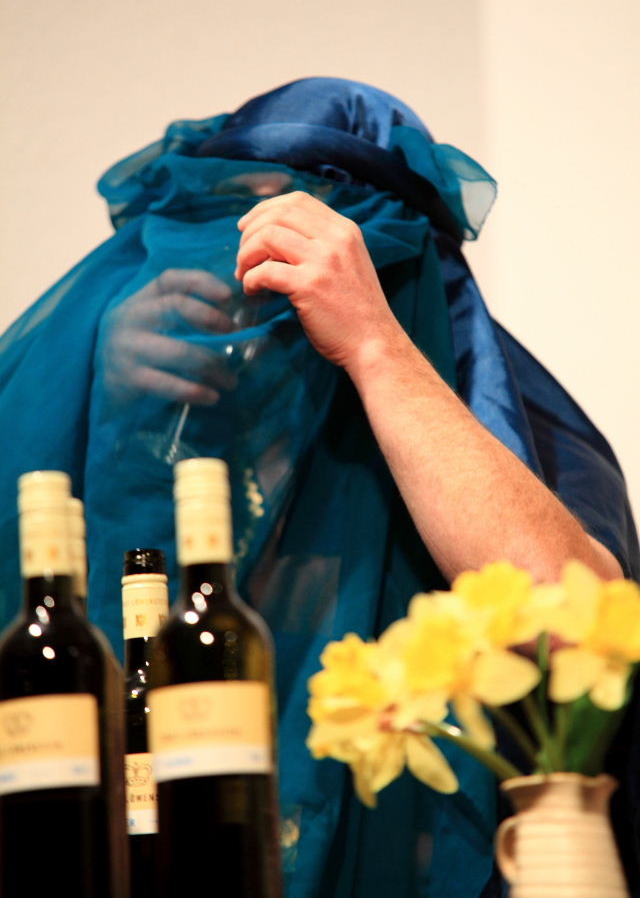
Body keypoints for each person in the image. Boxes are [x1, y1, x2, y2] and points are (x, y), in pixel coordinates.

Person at [0, 77, 637, 897]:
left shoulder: (512, 413)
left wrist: (373, 343)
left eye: (310, 231)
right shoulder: (180, 413)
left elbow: (569, 624)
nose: (260, 270)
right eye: (226, 224)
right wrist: (113, 406)